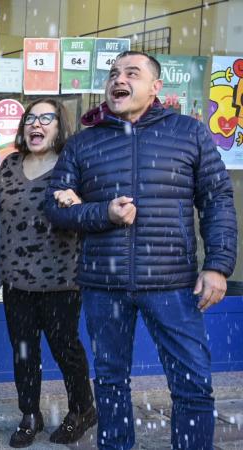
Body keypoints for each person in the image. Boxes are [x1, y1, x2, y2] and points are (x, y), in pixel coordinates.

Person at [45, 50, 237, 450]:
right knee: (112, 383)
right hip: (103, 285)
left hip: (172, 284)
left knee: (192, 384)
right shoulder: (83, 144)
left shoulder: (189, 132)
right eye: (114, 73)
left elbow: (217, 198)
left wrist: (218, 265)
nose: (120, 79)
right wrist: (103, 213)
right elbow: (55, 209)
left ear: (156, 87)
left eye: (132, 73)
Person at [0, 98, 96, 448]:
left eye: (45, 118)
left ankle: (82, 409)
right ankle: (30, 413)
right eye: (30, 118)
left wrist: (80, 205)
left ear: (60, 127)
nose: (35, 124)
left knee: (65, 349)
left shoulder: (72, 167)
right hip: (16, 279)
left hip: (61, 279)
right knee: (24, 351)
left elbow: (91, 214)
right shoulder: (8, 164)